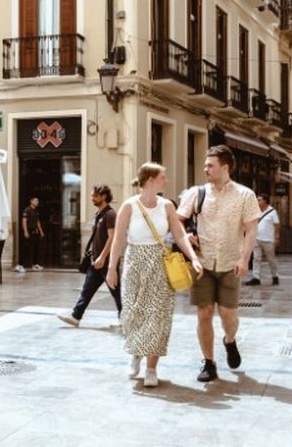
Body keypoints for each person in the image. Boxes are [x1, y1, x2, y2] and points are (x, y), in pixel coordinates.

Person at [105, 163, 203, 388]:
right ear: (149, 180)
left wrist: (194, 258)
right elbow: (118, 239)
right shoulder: (129, 207)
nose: (166, 181)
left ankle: (151, 367)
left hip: (160, 263)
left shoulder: (167, 206)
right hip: (134, 263)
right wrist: (112, 268)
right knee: (132, 312)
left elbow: (179, 236)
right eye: (162, 177)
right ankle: (136, 353)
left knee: (158, 316)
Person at [176, 145, 261, 381]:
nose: (205, 169)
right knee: (204, 314)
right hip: (201, 264)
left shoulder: (245, 195)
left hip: (230, 264)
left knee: (228, 315)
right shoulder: (197, 192)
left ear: (225, 167)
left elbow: (251, 230)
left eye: (210, 165)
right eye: (205, 164)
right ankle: (209, 362)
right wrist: (186, 236)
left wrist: (245, 259)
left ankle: (230, 340)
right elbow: (177, 221)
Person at [57, 185, 121, 328]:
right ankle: (75, 316)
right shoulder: (98, 214)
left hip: (106, 262)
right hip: (96, 261)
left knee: (117, 291)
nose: (92, 198)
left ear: (103, 196)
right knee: (86, 290)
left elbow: (112, 238)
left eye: (95, 196)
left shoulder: (110, 214)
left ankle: (125, 318)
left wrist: (103, 257)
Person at [244, 195, 280, 286]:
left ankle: (275, 275)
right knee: (256, 258)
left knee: (271, 259)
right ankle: (256, 277)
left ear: (265, 201)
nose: (257, 201)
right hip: (256, 238)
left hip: (268, 239)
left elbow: (277, 225)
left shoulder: (272, 212)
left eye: (259, 200)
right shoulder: (256, 211)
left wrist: (277, 237)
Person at [18, 197, 45, 272]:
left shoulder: (36, 211)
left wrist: (41, 231)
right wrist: (25, 231)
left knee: (36, 248)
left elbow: (37, 222)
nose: (37, 202)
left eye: (38, 201)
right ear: (31, 201)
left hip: (35, 231)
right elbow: (24, 221)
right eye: (36, 201)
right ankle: (20, 265)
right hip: (29, 231)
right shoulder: (27, 210)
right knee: (26, 248)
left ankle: (35, 265)